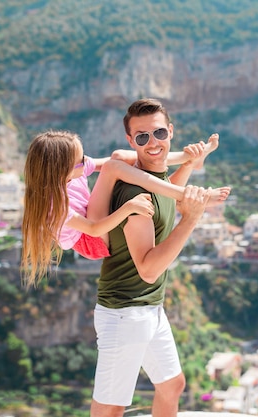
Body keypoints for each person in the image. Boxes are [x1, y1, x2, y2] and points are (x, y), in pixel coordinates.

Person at [91, 98, 218, 417]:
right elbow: (148, 269)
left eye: (159, 133)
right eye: (142, 137)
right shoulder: (136, 195)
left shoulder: (156, 183)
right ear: (131, 141)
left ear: (171, 131)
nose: (153, 143)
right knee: (110, 408)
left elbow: (169, 198)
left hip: (148, 308)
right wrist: (191, 219)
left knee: (172, 384)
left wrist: (189, 164)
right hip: (125, 312)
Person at [21, 130, 228, 288]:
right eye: (80, 161)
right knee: (113, 167)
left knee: (118, 156)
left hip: (95, 221)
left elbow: (118, 161)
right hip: (91, 241)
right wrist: (128, 208)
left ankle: (188, 160)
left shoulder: (74, 171)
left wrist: (183, 157)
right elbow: (93, 229)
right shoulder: (54, 206)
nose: (85, 163)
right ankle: (186, 195)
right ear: (61, 169)